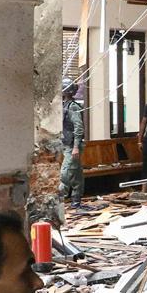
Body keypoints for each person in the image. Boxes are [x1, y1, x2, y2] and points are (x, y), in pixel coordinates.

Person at [58, 78, 85, 208]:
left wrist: (75, 147)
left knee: (65, 173)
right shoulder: (64, 105)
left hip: (73, 146)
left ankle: (57, 203)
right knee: (76, 173)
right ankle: (76, 200)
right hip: (67, 145)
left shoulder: (73, 106)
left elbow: (78, 127)